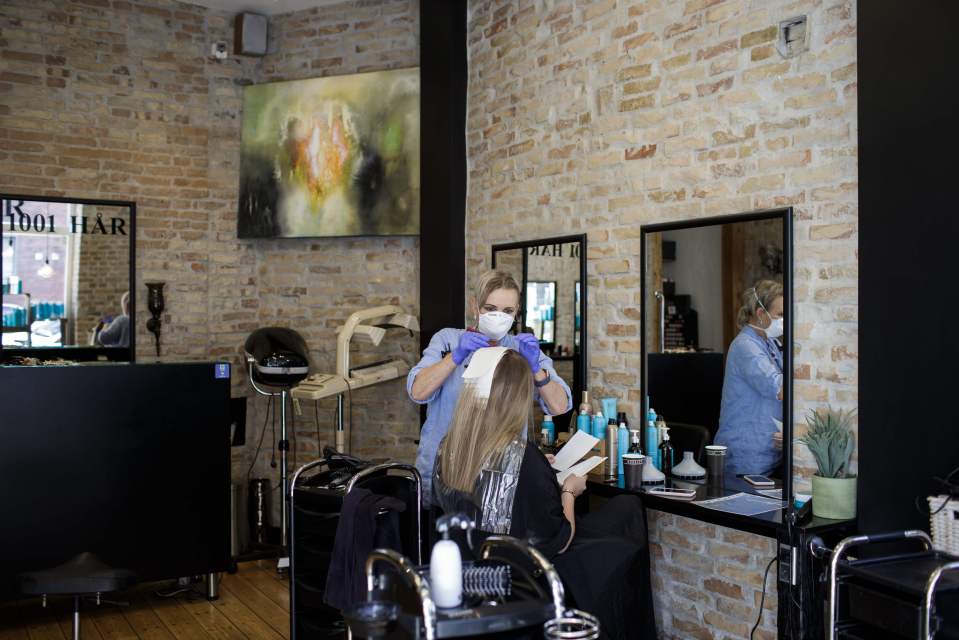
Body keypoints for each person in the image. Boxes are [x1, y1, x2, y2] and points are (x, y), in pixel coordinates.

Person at [433, 348, 656, 640]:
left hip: (476, 573)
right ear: (515, 398)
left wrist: (539, 467)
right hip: (529, 578)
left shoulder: (449, 447)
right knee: (627, 511)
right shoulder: (523, 457)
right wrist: (569, 490)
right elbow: (560, 540)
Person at [408, 269, 572, 504]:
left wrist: (535, 368)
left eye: (507, 311)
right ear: (475, 306)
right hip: (443, 474)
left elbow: (559, 406)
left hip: (500, 476)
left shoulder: (522, 349)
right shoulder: (448, 340)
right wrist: (455, 356)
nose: (498, 316)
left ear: (517, 313)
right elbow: (417, 391)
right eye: (490, 308)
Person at [715, 280, 784, 476]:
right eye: (780, 315)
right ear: (761, 314)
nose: (784, 321)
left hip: (769, 453)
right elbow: (780, 388)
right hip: (745, 456)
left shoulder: (770, 343)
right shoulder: (746, 347)